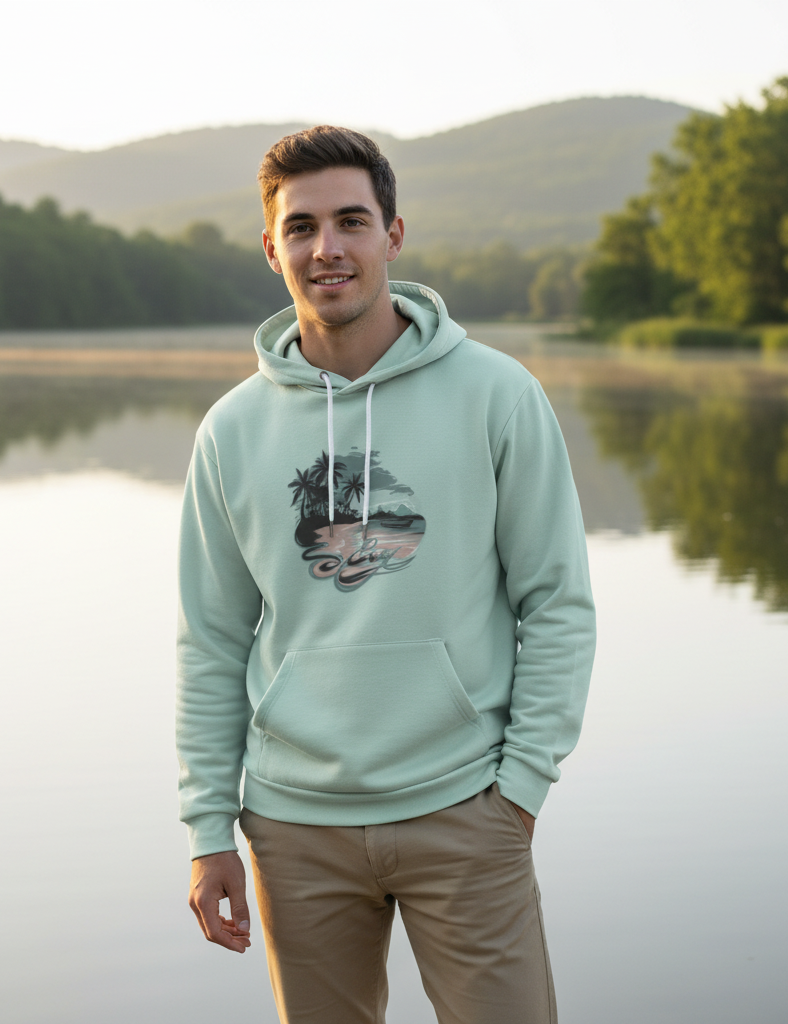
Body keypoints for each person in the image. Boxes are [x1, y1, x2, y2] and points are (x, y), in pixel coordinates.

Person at [176, 125, 596, 1024]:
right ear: (271, 248)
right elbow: (210, 641)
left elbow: (556, 603)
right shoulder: (231, 431)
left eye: (351, 221)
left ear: (392, 237)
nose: (327, 248)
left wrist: (519, 790)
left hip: (466, 809)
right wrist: (210, 828)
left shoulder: (496, 394)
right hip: (294, 826)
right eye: (301, 228)